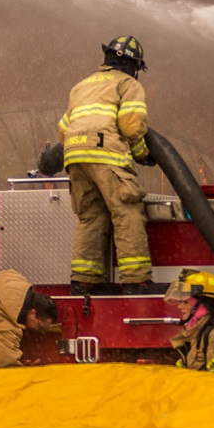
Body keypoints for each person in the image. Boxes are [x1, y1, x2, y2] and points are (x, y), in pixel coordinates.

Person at [59, 35, 162, 294]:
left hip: (75, 157)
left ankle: (84, 281)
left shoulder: (81, 86)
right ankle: (136, 281)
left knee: (91, 217)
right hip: (107, 156)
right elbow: (131, 125)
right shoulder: (128, 84)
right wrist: (142, 154)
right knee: (127, 213)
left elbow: (63, 129)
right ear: (133, 65)